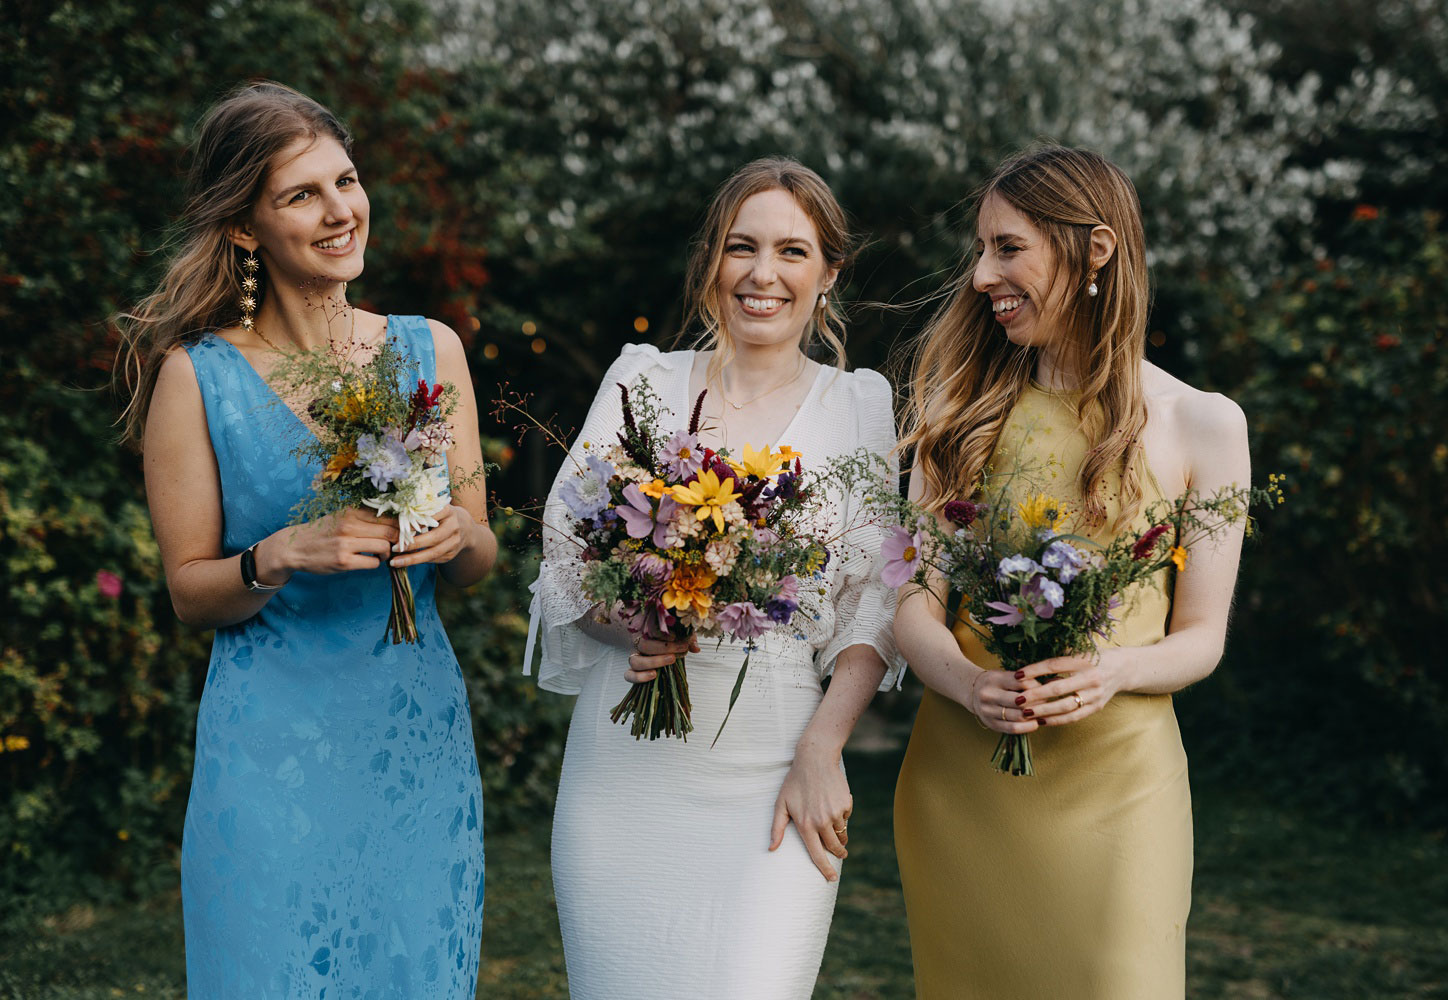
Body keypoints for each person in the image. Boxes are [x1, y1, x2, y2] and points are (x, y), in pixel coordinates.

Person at [116, 81, 495, 997]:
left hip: (413, 738)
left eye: (347, 181)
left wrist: (454, 535)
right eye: (302, 195)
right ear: (245, 227)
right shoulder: (193, 377)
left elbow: (482, 557)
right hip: (269, 745)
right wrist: (280, 553)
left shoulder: (430, 349)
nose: (341, 212)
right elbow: (190, 592)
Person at [526, 157, 900, 1000]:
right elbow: (563, 553)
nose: (763, 275)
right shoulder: (641, 382)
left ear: (829, 272)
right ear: (712, 262)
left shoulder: (860, 405)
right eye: (741, 247)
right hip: (625, 771)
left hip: (779, 767)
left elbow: (875, 600)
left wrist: (824, 746)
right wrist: (633, 627)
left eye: (792, 252)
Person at [891, 144, 1252, 999]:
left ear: (1094, 250)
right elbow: (912, 601)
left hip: (1122, 788)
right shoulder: (958, 412)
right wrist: (963, 681)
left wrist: (1111, 670)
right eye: (981, 250)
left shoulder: (1204, 424)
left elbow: (1200, 638)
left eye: (1007, 247)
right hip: (963, 778)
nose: (982, 276)